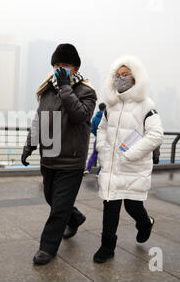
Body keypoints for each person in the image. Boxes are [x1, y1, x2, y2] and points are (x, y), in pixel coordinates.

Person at [21, 44, 97, 265]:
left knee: (59, 208)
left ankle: (47, 248)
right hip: (49, 156)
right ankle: (76, 218)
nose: (58, 69)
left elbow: (78, 116)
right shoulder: (47, 90)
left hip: (71, 160)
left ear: (75, 67)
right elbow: (39, 120)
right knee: (51, 199)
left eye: (64, 65)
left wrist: (66, 87)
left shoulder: (86, 92)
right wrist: (29, 145)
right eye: (56, 65)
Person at [94, 56, 163, 263]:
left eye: (125, 75)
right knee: (110, 205)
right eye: (117, 75)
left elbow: (156, 135)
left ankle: (145, 223)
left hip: (133, 166)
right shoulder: (111, 104)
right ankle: (107, 246)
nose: (120, 79)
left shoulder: (146, 105)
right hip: (112, 166)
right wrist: (101, 148)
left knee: (133, 206)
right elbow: (101, 128)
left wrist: (130, 153)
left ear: (136, 78)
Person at [85, 103, 106, 175]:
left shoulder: (94, 118)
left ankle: (88, 169)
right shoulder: (105, 117)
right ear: (105, 108)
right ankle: (99, 172)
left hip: (97, 138)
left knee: (94, 154)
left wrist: (96, 134)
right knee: (104, 155)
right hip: (105, 139)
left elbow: (92, 128)